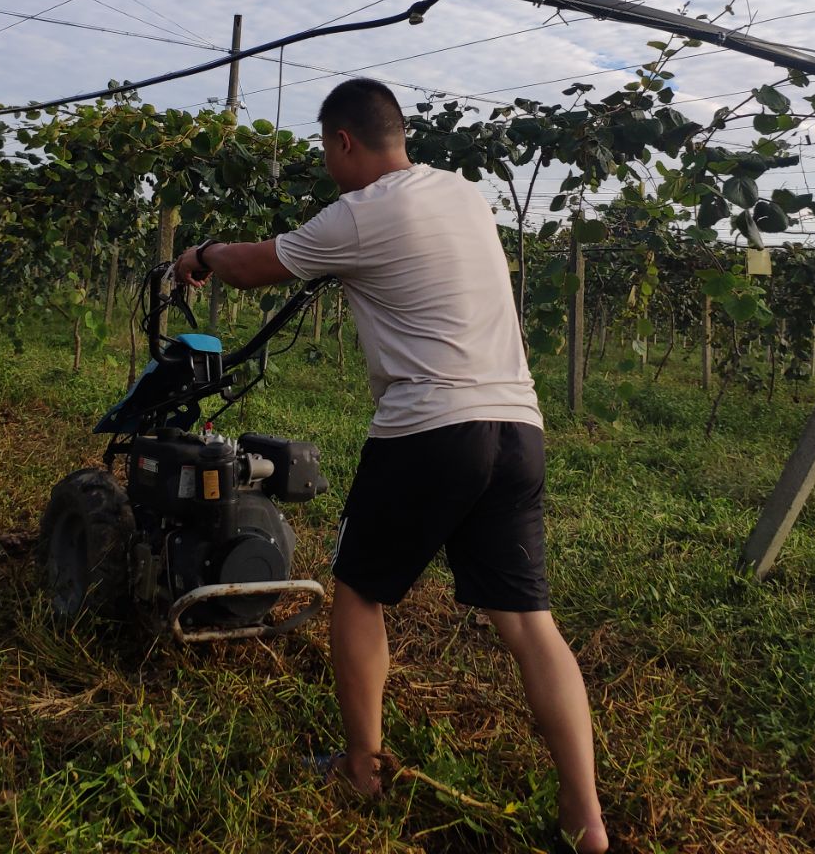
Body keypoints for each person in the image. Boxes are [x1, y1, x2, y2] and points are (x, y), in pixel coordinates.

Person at [173, 78, 609, 854]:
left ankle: (362, 771)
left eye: (324, 150)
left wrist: (200, 254)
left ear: (344, 142)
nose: (325, 164)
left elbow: (254, 266)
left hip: (429, 431)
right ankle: (586, 820)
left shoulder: (363, 213)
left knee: (360, 594)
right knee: (529, 624)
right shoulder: (465, 194)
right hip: (518, 427)